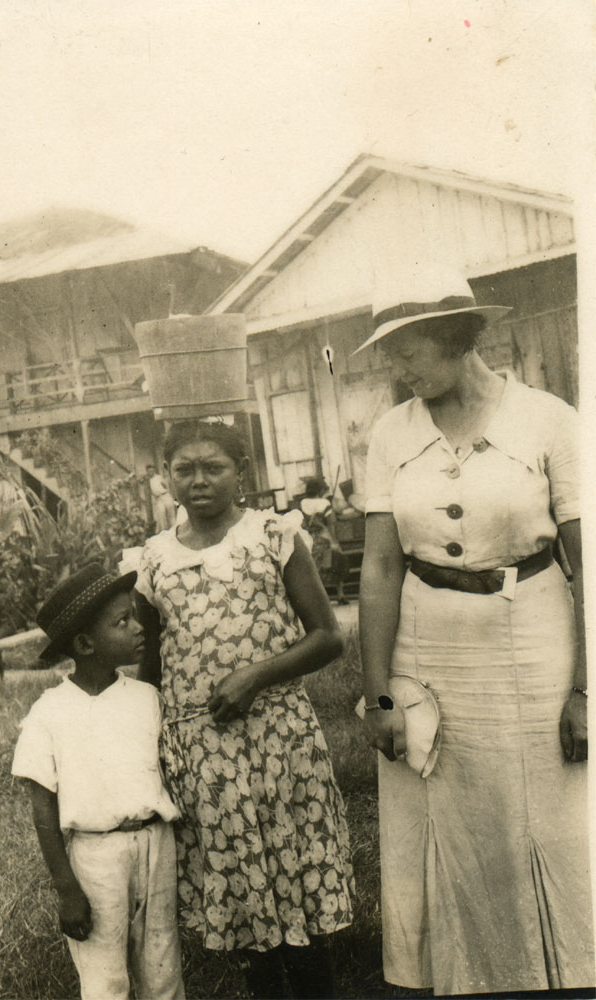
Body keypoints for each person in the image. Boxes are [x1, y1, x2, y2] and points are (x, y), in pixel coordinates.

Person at [357, 271, 594, 995]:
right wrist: (377, 695)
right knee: (442, 817)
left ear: (460, 338)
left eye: (409, 350)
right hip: (429, 647)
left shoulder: (549, 420)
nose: (396, 370)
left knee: (548, 814)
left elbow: (587, 565)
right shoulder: (391, 433)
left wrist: (585, 688)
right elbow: (378, 565)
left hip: (534, 635)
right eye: (388, 355)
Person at [135, 420, 354, 1000]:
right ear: (166, 477)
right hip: (203, 750)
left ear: (242, 473)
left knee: (296, 883)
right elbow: (151, 667)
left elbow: (329, 637)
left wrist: (256, 675)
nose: (199, 481)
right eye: (185, 469)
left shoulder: (274, 535)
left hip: (279, 737)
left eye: (214, 467)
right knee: (244, 899)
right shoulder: (151, 560)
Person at [12, 563, 185, 1000]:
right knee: (106, 978)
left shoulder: (147, 698)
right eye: (122, 622)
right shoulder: (49, 713)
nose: (137, 628)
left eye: (135, 615)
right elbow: (42, 808)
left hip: (156, 844)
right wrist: (67, 889)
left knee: (162, 967)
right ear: (85, 643)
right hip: (95, 856)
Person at [300, 477, 349, 605]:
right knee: (337, 562)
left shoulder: (302, 503)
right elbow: (331, 523)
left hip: (309, 539)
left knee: (315, 569)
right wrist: (335, 542)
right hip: (324, 537)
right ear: (320, 490)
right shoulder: (324, 503)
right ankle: (340, 594)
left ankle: (320, 597)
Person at [147, 464, 177, 532]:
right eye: (149, 471)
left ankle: (174, 529)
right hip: (158, 498)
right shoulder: (148, 481)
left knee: (171, 513)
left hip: (165, 495)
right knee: (161, 513)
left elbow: (166, 485)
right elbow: (150, 491)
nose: (150, 472)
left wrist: (165, 492)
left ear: (154, 471)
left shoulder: (159, 477)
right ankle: (163, 531)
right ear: (147, 472)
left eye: (152, 471)